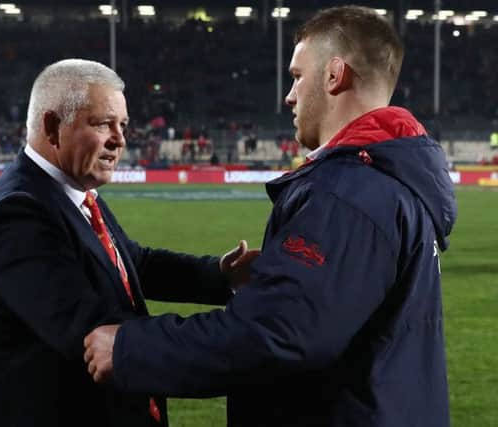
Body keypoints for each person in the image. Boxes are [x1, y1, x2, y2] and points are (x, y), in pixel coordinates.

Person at [83, 6, 457, 427]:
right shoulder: (392, 181)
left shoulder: (346, 193)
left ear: (335, 75)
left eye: (297, 76)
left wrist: (132, 349)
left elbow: (277, 333)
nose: (289, 95)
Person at [0, 59, 257, 427]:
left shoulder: (70, 192)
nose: (120, 139)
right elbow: (91, 331)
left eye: (123, 125)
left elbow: (133, 264)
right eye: (102, 123)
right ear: (52, 127)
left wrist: (221, 275)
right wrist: (238, 337)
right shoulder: (18, 213)